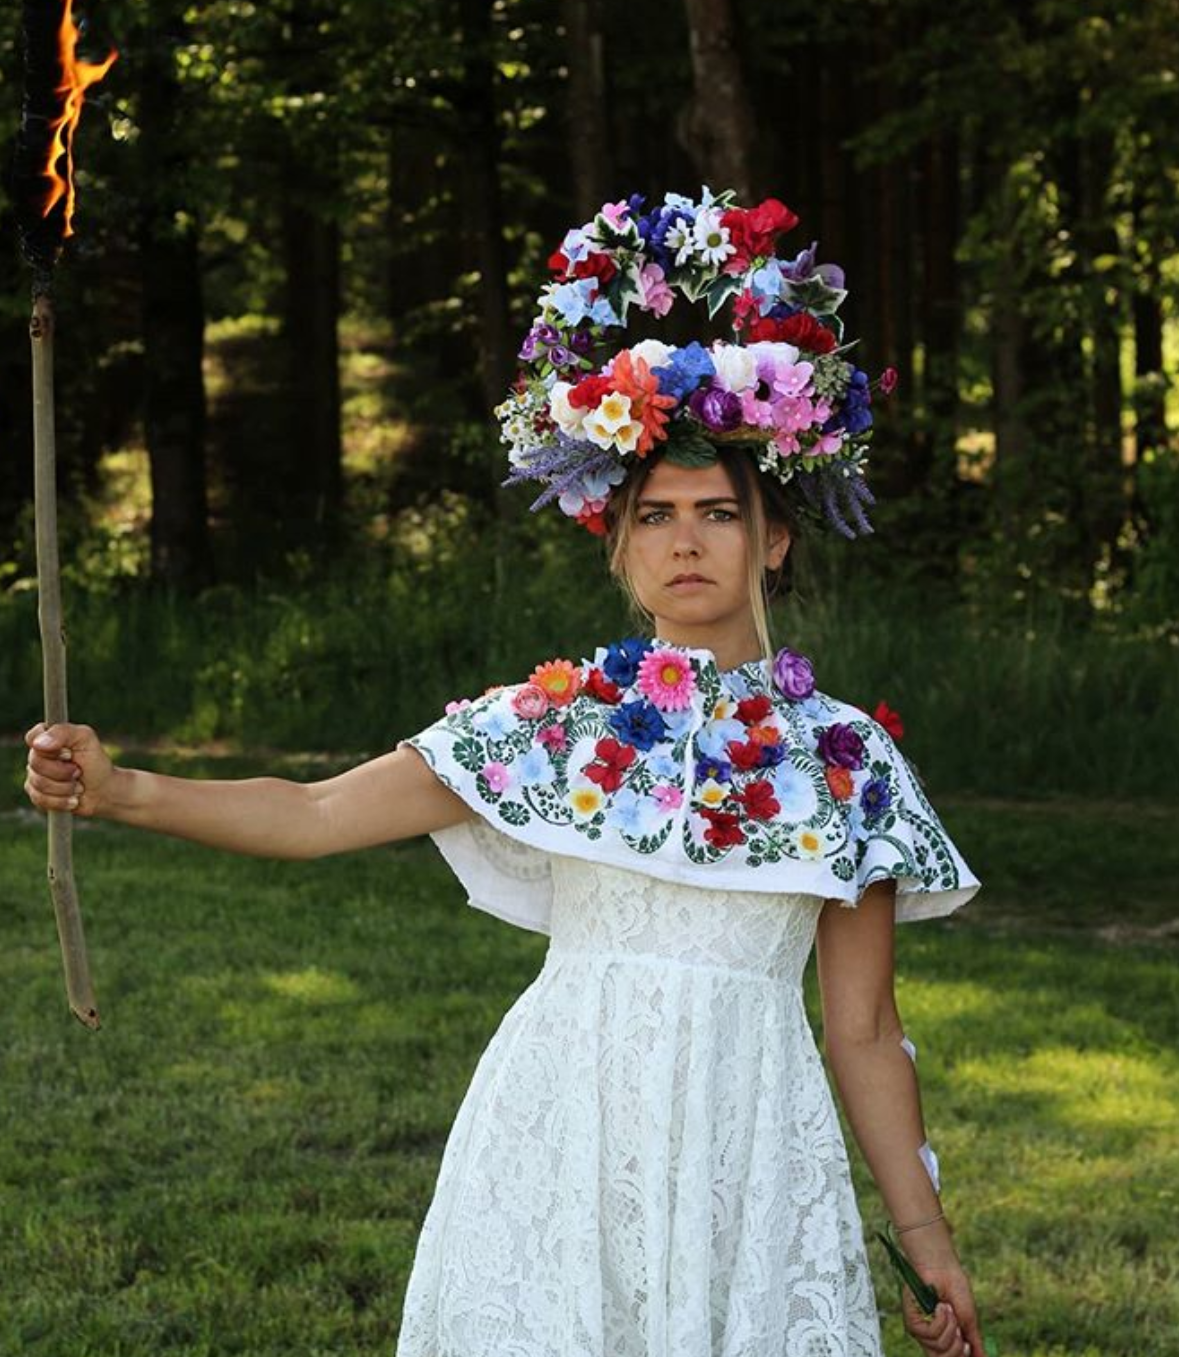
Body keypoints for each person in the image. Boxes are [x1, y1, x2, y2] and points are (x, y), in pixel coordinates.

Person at [24, 189, 987, 1357]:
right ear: (620, 542)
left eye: (720, 513)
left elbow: (866, 1029)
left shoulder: (843, 761)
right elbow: (320, 811)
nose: (687, 541)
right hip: (562, 1126)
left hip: (751, 1137)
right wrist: (126, 789)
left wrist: (924, 1232)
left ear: (773, 537)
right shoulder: (556, 722)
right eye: (658, 515)